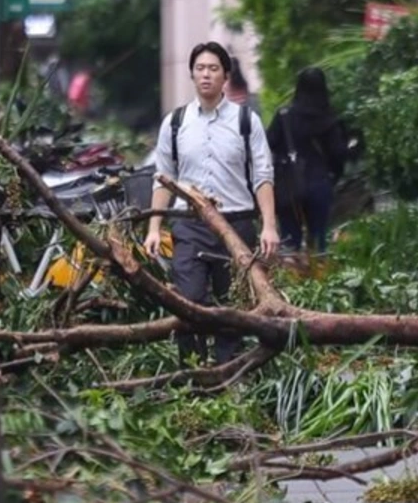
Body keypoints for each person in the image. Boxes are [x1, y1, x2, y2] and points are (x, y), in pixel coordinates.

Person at [143, 42, 280, 366]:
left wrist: (270, 226)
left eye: (213, 68)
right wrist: (154, 228)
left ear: (226, 76)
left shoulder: (247, 122)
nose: (206, 74)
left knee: (230, 304)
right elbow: (163, 177)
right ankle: (193, 373)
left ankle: (226, 371)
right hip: (189, 225)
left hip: (236, 224)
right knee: (188, 300)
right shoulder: (175, 123)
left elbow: (263, 174)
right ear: (192, 74)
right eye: (201, 68)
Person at [266, 67, 347, 253]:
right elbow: (338, 153)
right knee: (319, 240)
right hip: (319, 183)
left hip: (289, 185)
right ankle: (318, 276)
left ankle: (291, 277)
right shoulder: (330, 119)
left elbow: (268, 144)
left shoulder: (284, 116)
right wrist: (333, 176)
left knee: (289, 240)